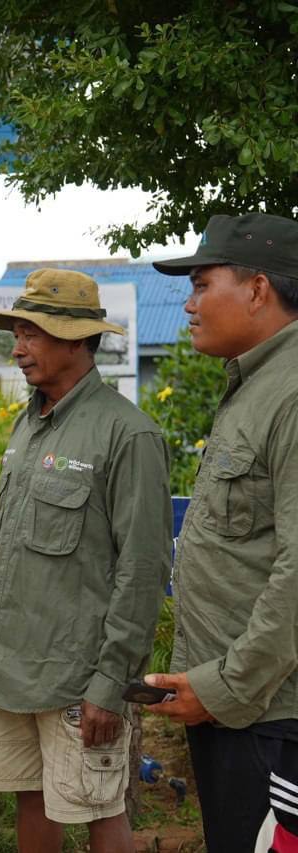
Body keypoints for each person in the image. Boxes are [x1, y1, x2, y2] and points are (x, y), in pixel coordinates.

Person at [0, 269, 172, 852]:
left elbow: (143, 569)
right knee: (32, 800)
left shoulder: (127, 434)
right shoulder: (27, 425)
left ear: (78, 341)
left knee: (98, 809)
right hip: (14, 670)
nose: (18, 347)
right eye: (17, 333)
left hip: (77, 678)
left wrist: (111, 682)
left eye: (33, 333)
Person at [144, 212, 298, 851]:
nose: (188, 304)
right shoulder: (256, 385)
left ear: (258, 289)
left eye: (203, 285)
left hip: (268, 714)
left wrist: (222, 687)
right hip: (235, 709)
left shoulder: (290, 393)